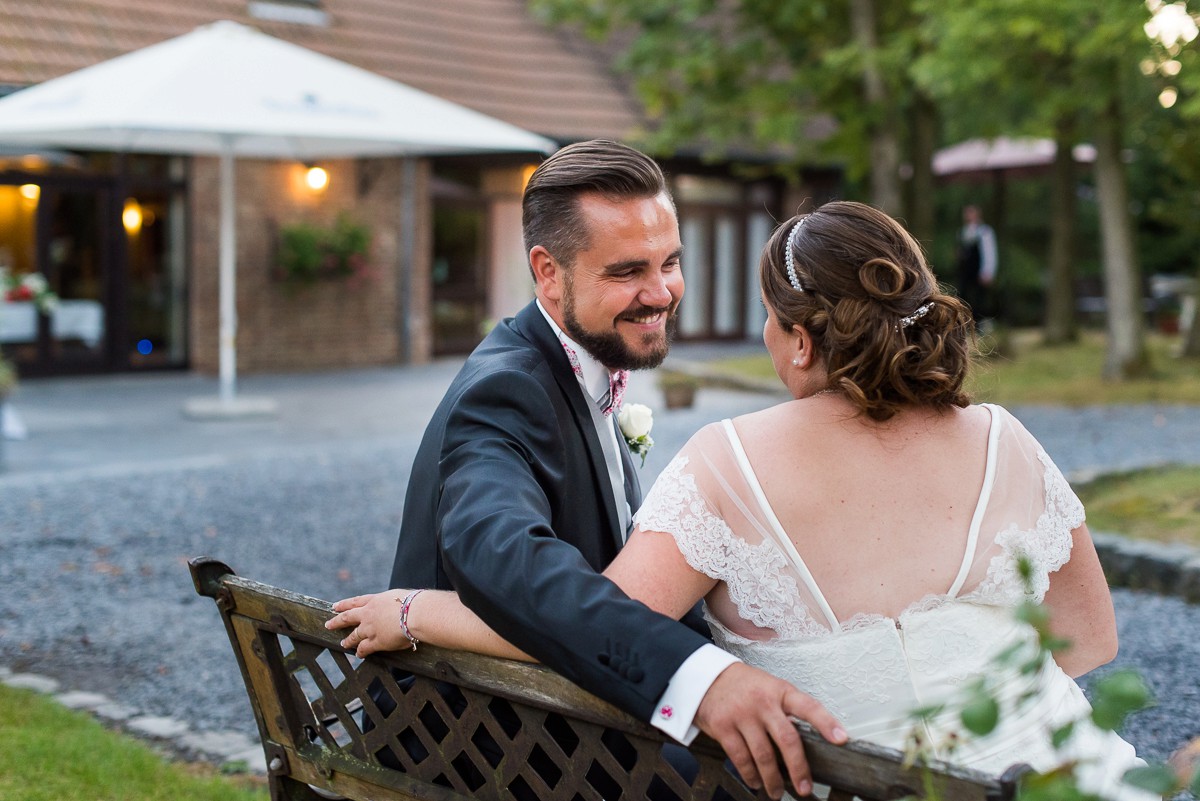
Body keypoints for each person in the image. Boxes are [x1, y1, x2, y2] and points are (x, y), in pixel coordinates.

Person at [331, 200, 1152, 801]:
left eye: (767, 318)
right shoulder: (1006, 437)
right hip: (1065, 775)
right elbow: (1090, 638)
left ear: (798, 339)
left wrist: (415, 611)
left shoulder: (730, 462)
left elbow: (588, 625)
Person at [341, 139, 845, 800]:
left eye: (670, 262)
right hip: (482, 739)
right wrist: (697, 678)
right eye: (628, 270)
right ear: (548, 273)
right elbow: (507, 561)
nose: (662, 292)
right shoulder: (503, 393)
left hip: (549, 711)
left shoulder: (581, 360)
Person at [954, 204, 998, 324]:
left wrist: (987, 271)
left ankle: (980, 323)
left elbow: (989, 252)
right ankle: (963, 322)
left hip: (978, 270)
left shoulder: (984, 232)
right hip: (965, 271)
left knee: (979, 298)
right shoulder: (962, 232)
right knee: (963, 296)